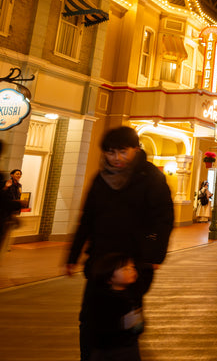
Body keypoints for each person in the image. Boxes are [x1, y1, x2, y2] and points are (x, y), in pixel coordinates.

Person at [65, 126, 174, 361]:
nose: (116, 158)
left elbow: (163, 219)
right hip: (101, 260)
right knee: (89, 317)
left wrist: (155, 255)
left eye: (122, 151)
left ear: (136, 149)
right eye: (110, 152)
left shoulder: (151, 178)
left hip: (132, 262)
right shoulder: (100, 179)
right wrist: (73, 256)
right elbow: (87, 218)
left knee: (127, 318)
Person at [88, 253, 146, 361]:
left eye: (132, 267)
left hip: (129, 345)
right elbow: (101, 326)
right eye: (125, 269)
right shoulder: (103, 300)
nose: (131, 270)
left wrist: (138, 325)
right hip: (109, 349)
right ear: (109, 277)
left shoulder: (132, 294)